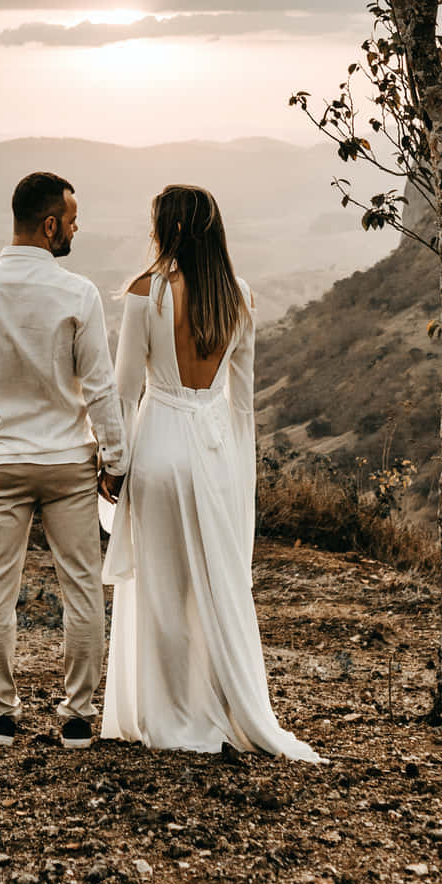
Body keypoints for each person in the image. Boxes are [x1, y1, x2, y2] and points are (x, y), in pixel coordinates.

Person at [100, 184, 320, 760]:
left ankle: (169, 717)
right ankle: (225, 708)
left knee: (163, 592)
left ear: (166, 229)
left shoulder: (146, 293)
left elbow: (124, 393)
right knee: (218, 593)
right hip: (218, 452)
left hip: (159, 450)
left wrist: (113, 464)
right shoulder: (240, 296)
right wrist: (240, 478)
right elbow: (244, 403)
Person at [0, 170, 127, 750]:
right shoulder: (78, 293)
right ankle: (76, 716)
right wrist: (115, 457)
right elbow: (99, 386)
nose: (77, 229)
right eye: (72, 220)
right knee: (80, 586)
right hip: (68, 462)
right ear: (50, 225)